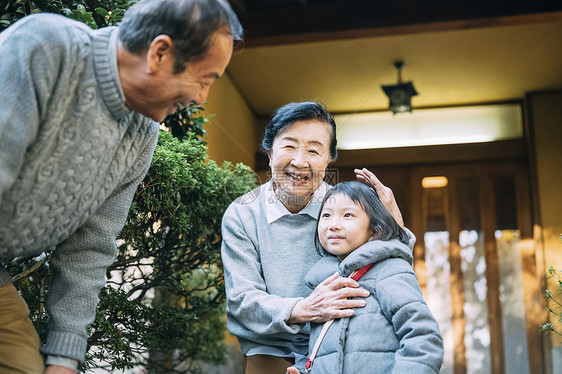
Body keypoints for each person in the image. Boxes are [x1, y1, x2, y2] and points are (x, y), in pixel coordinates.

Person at [0, 1, 242, 373]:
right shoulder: (46, 47)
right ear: (160, 53)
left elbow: (90, 247)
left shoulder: (142, 132)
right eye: (204, 79)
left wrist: (64, 359)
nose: (201, 98)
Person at [221, 102, 414, 374]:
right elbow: (243, 302)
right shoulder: (242, 215)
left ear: (328, 160)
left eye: (313, 150)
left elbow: (384, 274)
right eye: (289, 146)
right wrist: (305, 308)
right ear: (269, 152)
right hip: (269, 349)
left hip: (338, 342)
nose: (300, 161)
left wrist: (396, 231)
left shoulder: (344, 211)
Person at [285, 181, 443, 374]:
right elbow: (322, 351)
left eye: (348, 215)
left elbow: (423, 337)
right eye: (326, 215)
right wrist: (302, 369)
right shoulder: (324, 284)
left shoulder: (389, 271)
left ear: (374, 230)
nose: (333, 225)